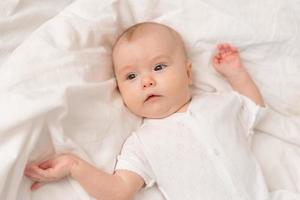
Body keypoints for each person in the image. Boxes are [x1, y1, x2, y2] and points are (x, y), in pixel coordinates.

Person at [24, 22, 269, 200]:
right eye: (131, 76)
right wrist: (73, 166)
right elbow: (118, 190)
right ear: (120, 89)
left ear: (187, 72)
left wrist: (236, 74)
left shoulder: (218, 104)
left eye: (159, 66)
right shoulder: (143, 143)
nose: (146, 81)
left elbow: (253, 106)